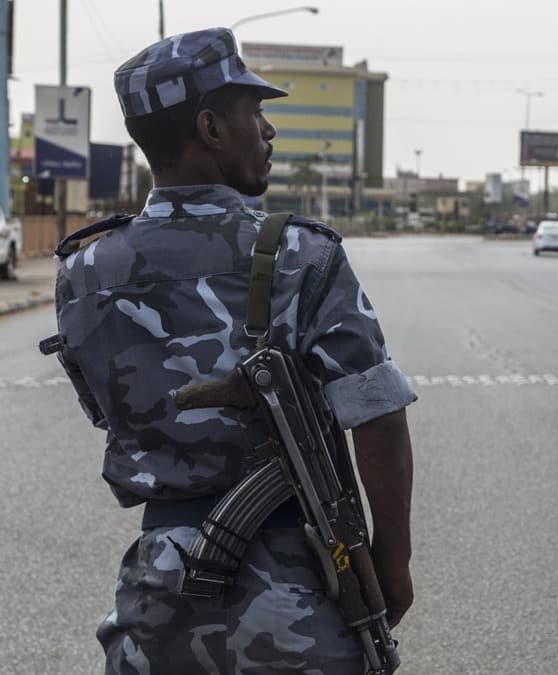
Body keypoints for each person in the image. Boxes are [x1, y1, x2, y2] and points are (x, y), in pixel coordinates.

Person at [49, 28, 417, 673]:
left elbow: (115, 413)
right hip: (298, 595)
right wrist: (391, 563)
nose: (268, 131)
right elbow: (378, 416)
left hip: (155, 602)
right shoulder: (302, 254)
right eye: (256, 113)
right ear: (212, 128)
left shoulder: (85, 268)